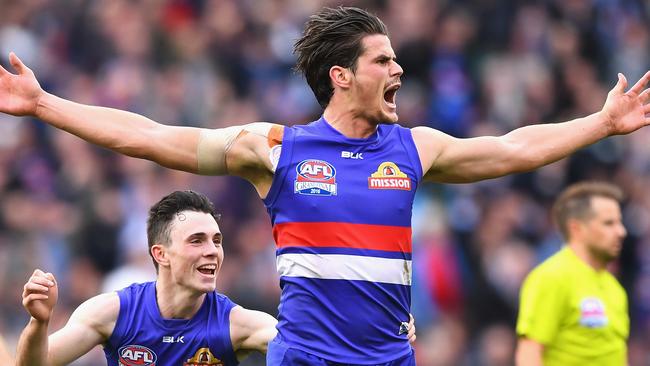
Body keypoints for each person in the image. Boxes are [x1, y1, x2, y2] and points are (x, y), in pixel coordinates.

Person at [0, 5, 648, 365]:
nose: (399, 68)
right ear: (342, 76)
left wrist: (599, 123)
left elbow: (514, 148)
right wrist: (46, 104)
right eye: (383, 60)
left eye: (397, 57)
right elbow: (150, 135)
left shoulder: (416, 149)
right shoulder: (276, 149)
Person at [15, 190, 277, 365]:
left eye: (216, 241)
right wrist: (39, 322)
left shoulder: (238, 324)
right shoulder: (113, 313)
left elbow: (303, 349)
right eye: (197, 241)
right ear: (161, 254)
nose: (212, 251)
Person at [515, 182, 629, 366]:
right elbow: (530, 352)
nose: (621, 232)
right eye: (609, 223)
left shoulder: (615, 288)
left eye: (619, 222)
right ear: (576, 228)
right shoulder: (552, 277)